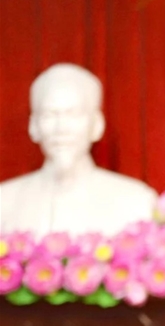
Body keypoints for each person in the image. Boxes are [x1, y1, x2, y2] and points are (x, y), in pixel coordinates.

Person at [0, 63, 156, 237]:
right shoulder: (4, 202)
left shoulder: (137, 203)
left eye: (73, 114)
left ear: (97, 125)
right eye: (49, 115)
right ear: (33, 126)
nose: (61, 128)